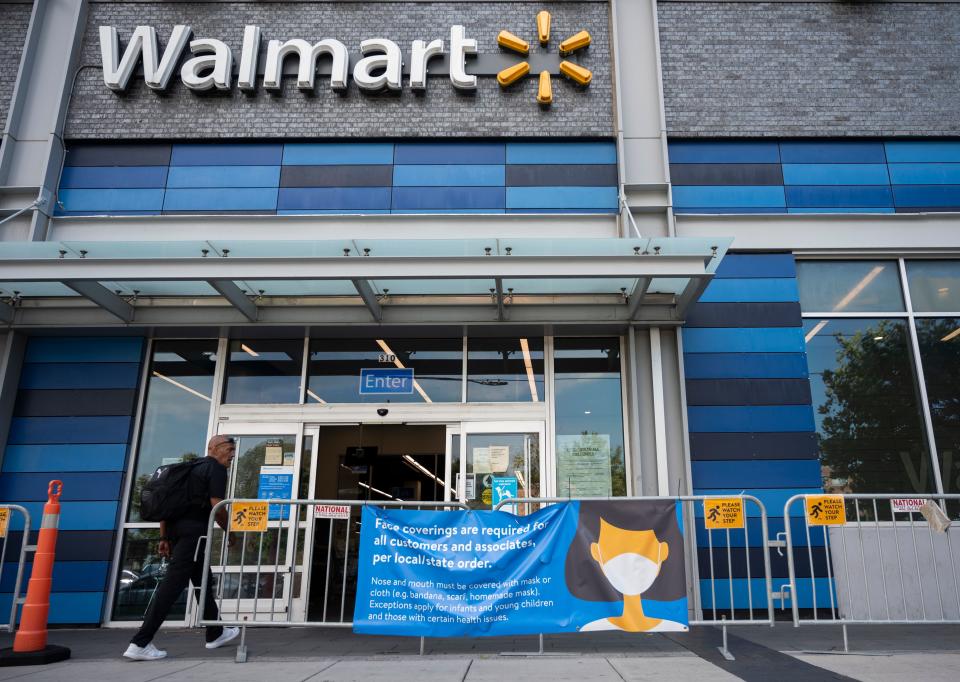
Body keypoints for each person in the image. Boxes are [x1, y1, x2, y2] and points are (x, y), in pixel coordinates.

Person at [123, 435, 241, 661]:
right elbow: (218, 505)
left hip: (179, 533)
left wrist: (165, 536)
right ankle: (140, 642)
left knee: (202, 580)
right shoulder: (214, 468)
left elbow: (168, 506)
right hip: (193, 535)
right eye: (229, 449)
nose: (233, 454)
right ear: (214, 448)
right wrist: (230, 531)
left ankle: (215, 632)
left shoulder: (189, 469)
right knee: (172, 586)